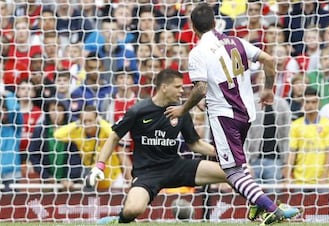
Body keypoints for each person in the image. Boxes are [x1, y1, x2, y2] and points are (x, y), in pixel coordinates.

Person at [164, 3, 300, 225]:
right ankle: (257, 207)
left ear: (192, 27)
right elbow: (269, 60)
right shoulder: (236, 41)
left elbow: (199, 88)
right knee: (237, 163)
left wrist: (182, 109)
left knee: (231, 171)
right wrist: (268, 89)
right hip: (247, 113)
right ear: (215, 22)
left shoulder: (198, 52)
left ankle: (273, 209)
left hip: (224, 117)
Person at [86, 69, 228, 224]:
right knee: (132, 210)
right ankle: (118, 221)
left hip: (175, 166)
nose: (182, 90)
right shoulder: (138, 111)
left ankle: (258, 208)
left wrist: (222, 154)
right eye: (178, 86)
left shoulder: (181, 112)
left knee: (232, 174)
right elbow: (114, 137)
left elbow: (194, 143)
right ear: (164, 87)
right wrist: (99, 166)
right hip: (147, 173)